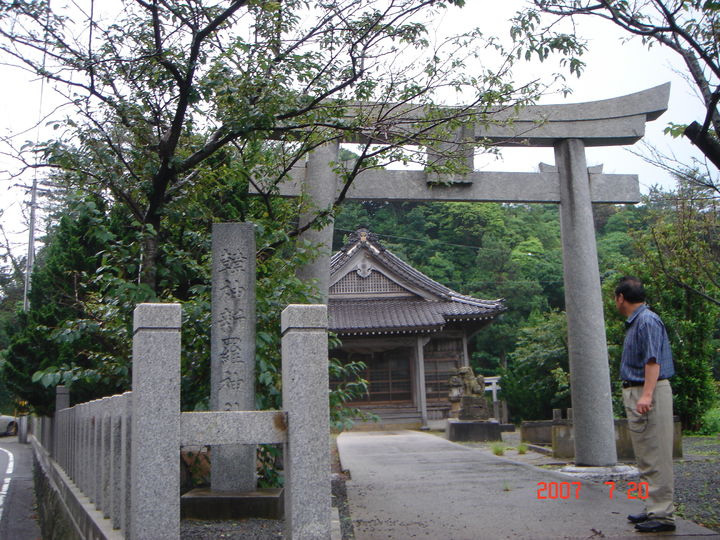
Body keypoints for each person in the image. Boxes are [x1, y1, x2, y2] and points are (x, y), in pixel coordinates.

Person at [614, 276, 676, 533]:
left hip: (647, 390)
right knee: (646, 454)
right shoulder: (638, 321)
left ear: (621, 298)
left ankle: (662, 514)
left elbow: (653, 361)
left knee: (656, 454)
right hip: (639, 389)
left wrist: (647, 395)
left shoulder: (647, 320)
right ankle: (653, 507)